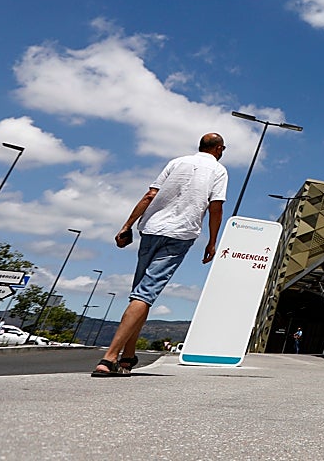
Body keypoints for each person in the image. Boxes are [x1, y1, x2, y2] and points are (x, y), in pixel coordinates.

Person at [91, 133, 228, 377]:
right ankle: (109, 358)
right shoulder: (218, 171)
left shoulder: (176, 162)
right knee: (146, 293)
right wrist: (212, 241)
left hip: (151, 229)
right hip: (180, 234)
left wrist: (126, 225)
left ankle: (128, 357)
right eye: (223, 149)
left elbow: (150, 195)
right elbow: (215, 207)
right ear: (218, 148)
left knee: (140, 293)